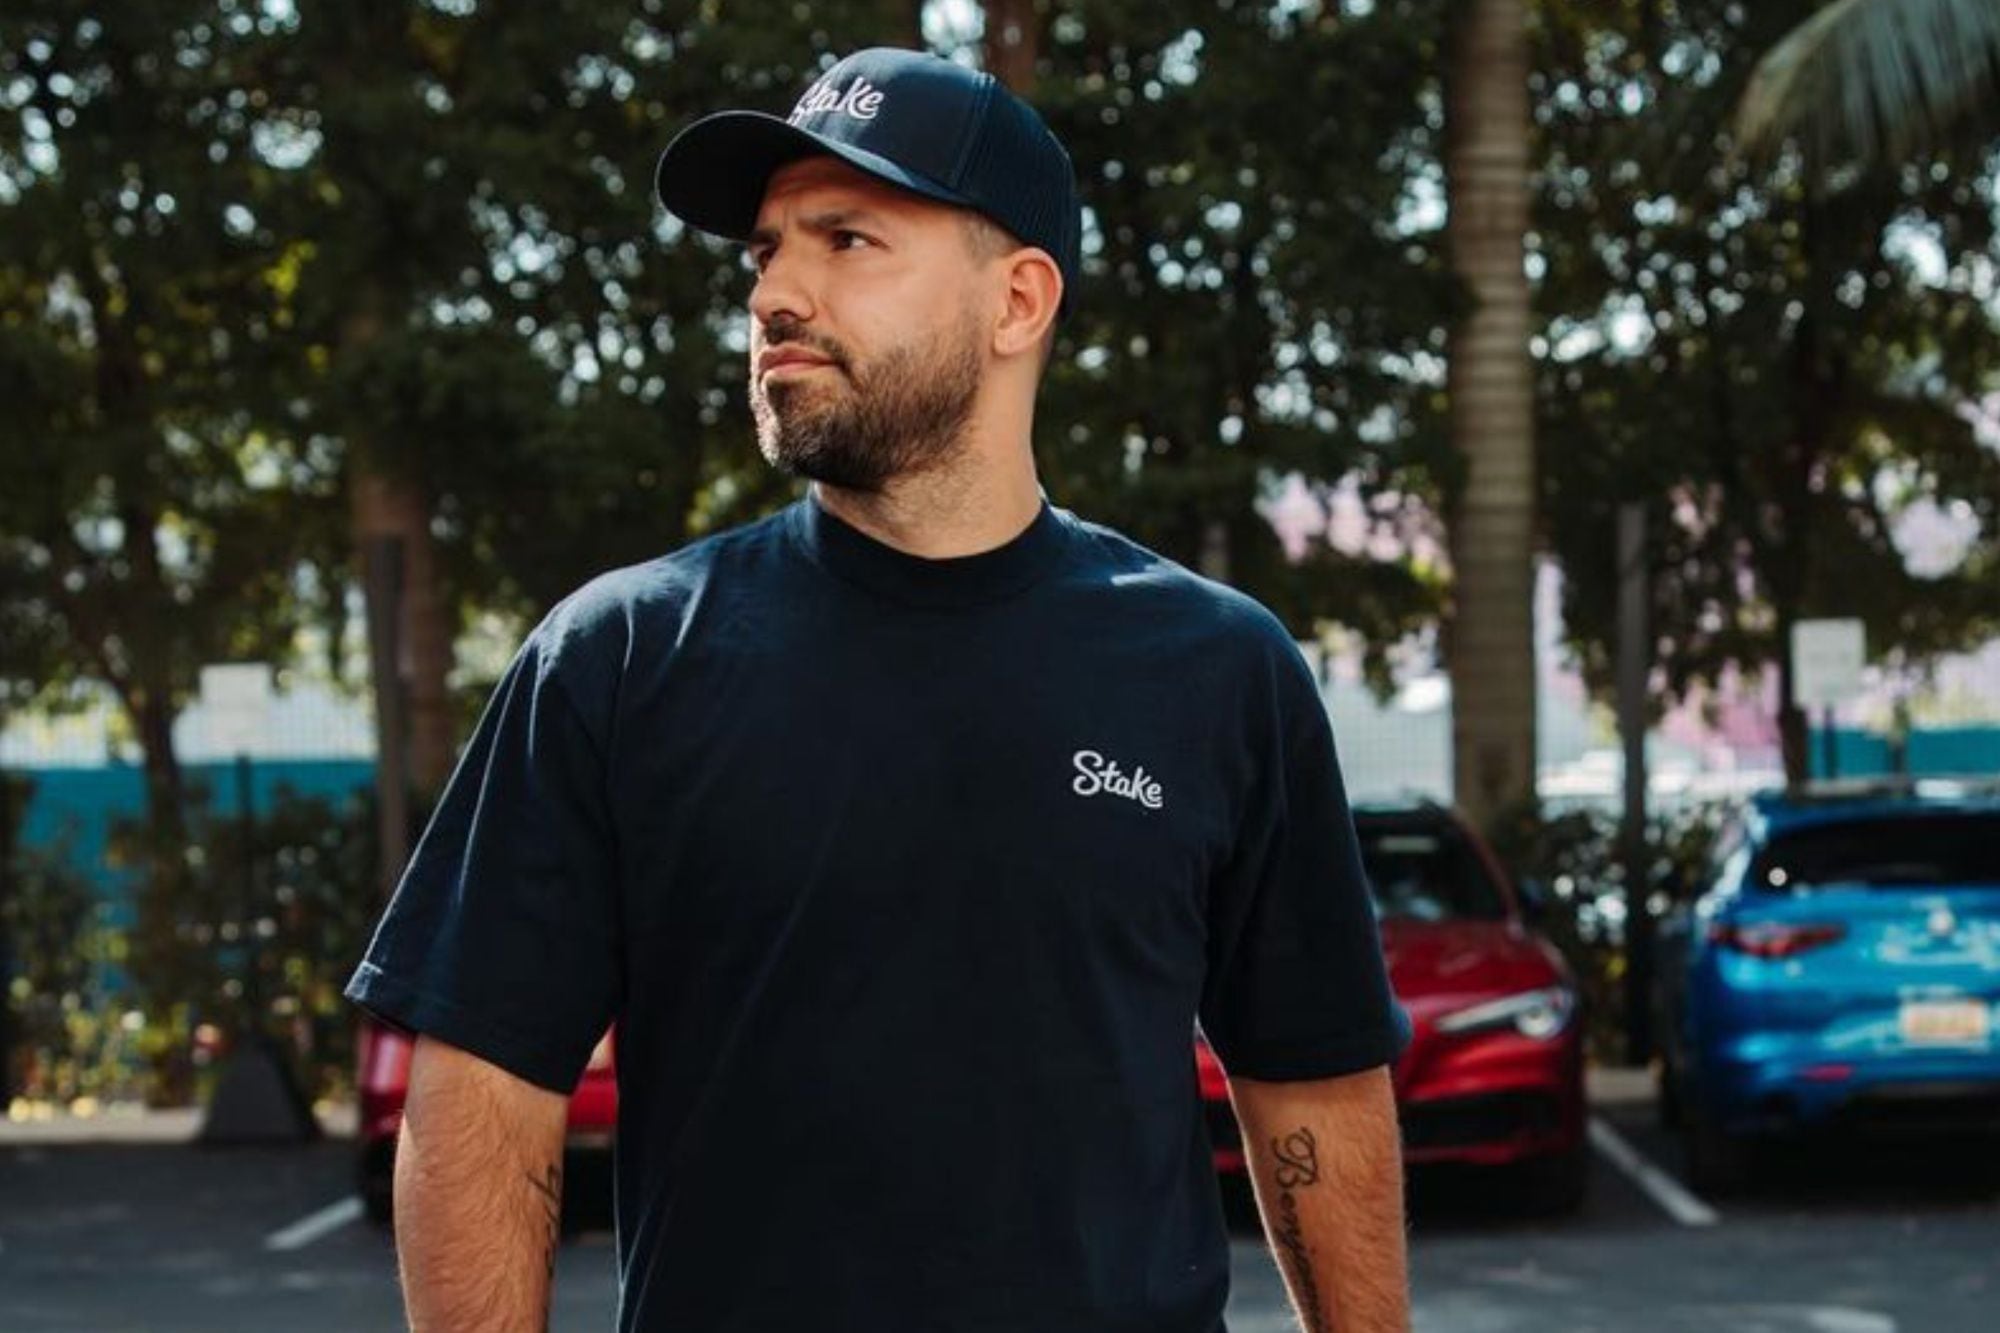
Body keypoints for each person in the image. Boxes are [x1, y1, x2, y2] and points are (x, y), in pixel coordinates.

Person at [346, 46, 1412, 1333]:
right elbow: (481, 1097)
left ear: (1016, 301)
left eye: (847, 240)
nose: (775, 294)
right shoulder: (617, 659)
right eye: (764, 252)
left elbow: (1314, 1087)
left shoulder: (1219, 670)